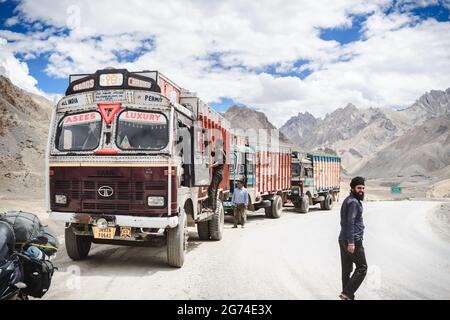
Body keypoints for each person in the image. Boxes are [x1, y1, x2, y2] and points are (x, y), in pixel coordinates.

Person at [338, 176, 368, 300]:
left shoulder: (349, 200)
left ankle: (346, 296)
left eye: (363, 188)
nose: (361, 190)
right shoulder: (354, 203)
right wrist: (351, 242)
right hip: (353, 239)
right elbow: (350, 222)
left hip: (343, 238)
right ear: (352, 188)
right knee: (362, 267)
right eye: (359, 188)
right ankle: (347, 293)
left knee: (347, 270)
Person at [206, 139, 226, 211]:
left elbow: (218, 162)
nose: (215, 145)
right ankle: (213, 207)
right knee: (214, 189)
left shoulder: (220, 151)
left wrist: (210, 166)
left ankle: (212, 207)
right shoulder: (221, 151)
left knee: (212, 189)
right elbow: (212, 154)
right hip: (220, 174)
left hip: (218, 173)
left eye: (216, 144)